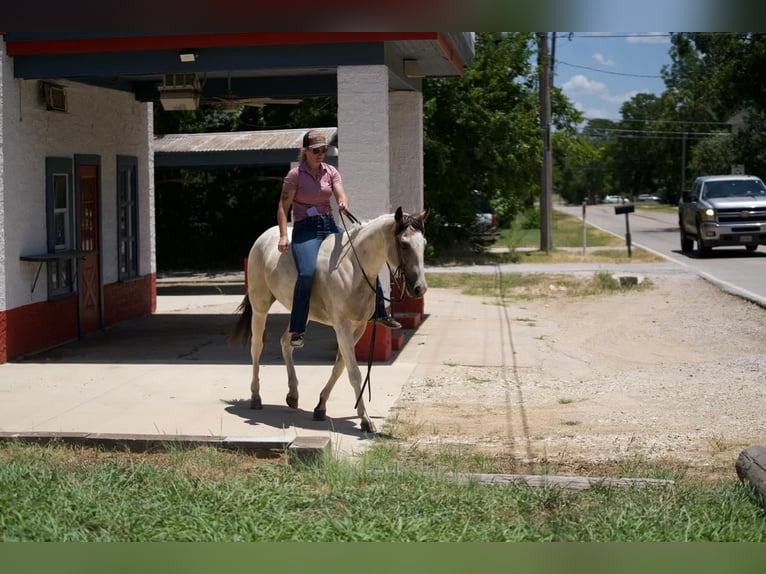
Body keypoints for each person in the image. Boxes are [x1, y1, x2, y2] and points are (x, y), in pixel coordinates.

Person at [277, 129, 401, 349]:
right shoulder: (295, 176)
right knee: (306, 273)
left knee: (363, 257)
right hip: (305, 229)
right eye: (316, 151)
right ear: (305, 151)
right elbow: (282, 207)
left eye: (324, 150)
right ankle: (297, 329)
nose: (320, 154)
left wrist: (343, 202)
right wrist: (284, 235)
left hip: (327, 224)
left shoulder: (330, 171)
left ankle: (380, 312)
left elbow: (340, 193)